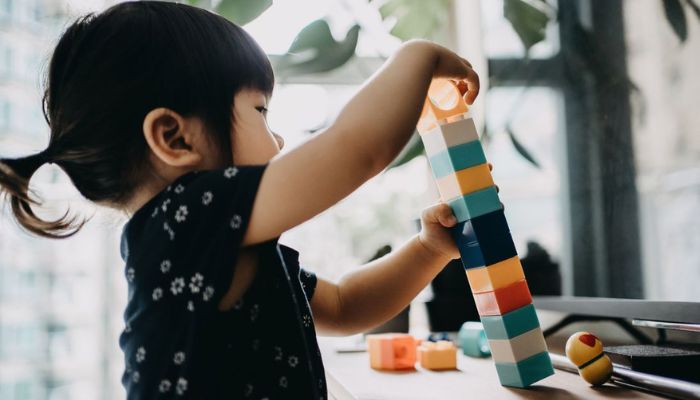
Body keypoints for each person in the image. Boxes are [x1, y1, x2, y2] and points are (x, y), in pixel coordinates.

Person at [0, 1, 479, 398]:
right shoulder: (185, 221)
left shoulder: (208, 244)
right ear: (174, 137)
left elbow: (345, 305)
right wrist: (418, 57)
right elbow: (356, 151)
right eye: (260, 112)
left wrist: (428, 250)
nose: (280, 141)